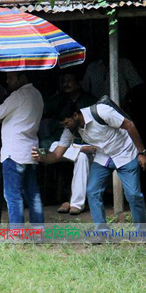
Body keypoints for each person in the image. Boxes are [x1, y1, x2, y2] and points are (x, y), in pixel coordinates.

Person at [32, 100, 146, 230]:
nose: (66, 126)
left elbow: (129, 125)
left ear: (75, 115)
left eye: (67, 123)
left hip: (125, 153)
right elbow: (56, 155)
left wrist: (142, 152)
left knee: (133, 194)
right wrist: (41, 158)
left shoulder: (101, 111)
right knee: (92, 191)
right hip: (103, 157)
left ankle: (141, 232)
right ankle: (102, 232)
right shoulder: (70, 130)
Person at [0, 71, 44, 227]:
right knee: (33, 195)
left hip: (14, 154)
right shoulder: (37, 95)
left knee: (13, 197)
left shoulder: (18, 95)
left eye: (11, 77)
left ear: (22, 77)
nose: (7, 81)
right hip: (31, 152)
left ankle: (17, 234)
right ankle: (38, 231)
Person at [40, 71, 98, 215]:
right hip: (62, 144)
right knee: (65, 150)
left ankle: (74, 202)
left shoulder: (89, 101)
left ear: (79, 82)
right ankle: (72, 201)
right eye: (63, 81)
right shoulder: (59, 100)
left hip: (91, 147)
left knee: (82, 157)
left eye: (69, 80)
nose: (66, 84)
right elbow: (44, 114)